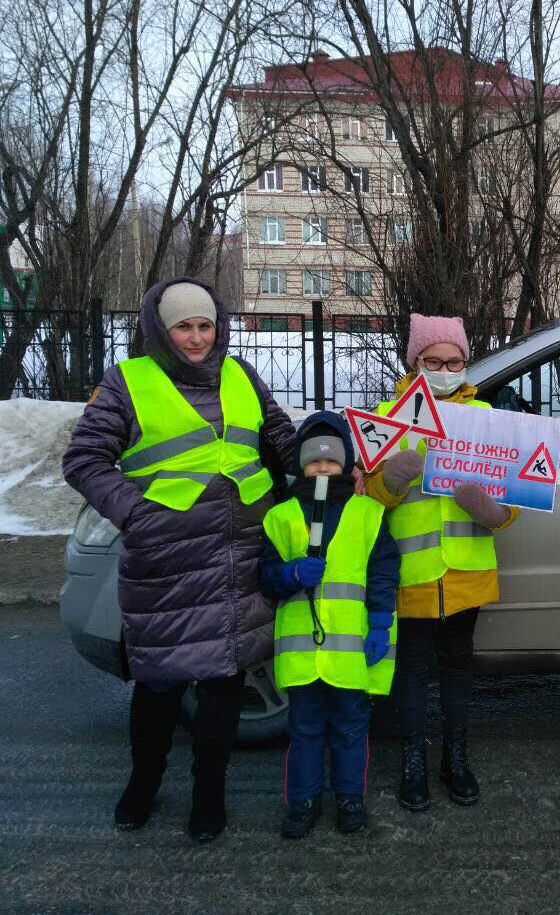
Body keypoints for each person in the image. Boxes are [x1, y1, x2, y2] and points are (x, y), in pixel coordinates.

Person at [62, 277, 296, 842]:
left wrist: (328, 459)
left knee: (224, 682)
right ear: (161, 330)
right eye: (183, 327)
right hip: (166, 560)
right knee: (160, 683)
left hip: (241, 554)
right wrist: (137, 515)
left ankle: (208, 795)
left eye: (205, 325)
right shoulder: (129, 381)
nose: (196, 338)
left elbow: (282, 438)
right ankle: (143, 783)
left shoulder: (241, 374)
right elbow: (84, 459)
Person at [363, 314, 519, 811]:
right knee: (410, 671)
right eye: (433, 361)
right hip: (410, 572)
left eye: (454, 362)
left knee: (457, 667)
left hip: (466, 571)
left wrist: (491, 510)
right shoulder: (387, 416)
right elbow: (369, 499)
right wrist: (393, 479)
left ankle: (456, 758)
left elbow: (515, 500)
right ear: (415, 363)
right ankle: (413, 761)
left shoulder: (490, 417)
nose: (445, 370)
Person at [259, 412, 400, 839]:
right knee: (304, 730)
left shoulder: (368, 513)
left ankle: (349, 797)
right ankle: (302, 801)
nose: (323, 468)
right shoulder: (282, 516)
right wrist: (290, 574)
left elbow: (383, 572)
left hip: (351, 651)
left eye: (332, 460)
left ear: (346, 463)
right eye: (314, 461)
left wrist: (380, 622)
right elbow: (266, 576)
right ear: (301, 464)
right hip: (302, 653)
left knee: (351, 728)